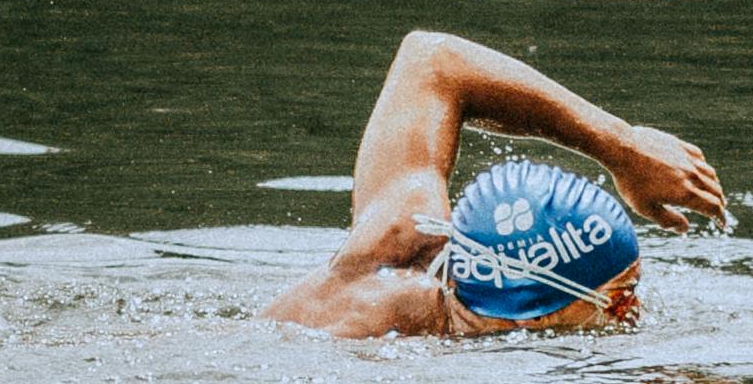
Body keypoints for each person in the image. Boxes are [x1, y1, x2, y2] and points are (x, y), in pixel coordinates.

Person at [266, 27, 726, 341]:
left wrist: (623, 148)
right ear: (532, 313)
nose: (633, 313)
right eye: (620, 299)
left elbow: (431, 59)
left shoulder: (400, 235)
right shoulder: (395, 367)